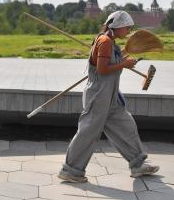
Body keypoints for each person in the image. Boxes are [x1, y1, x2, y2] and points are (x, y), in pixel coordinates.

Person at [58, 10, 159, 183]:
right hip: (98, 97)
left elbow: (109, 64)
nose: (128, 32)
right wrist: (123, 65)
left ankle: (138, 164)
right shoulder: (105, 41)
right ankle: (71, 170)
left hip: (110, 97)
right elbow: (102, 69)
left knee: (126, 125)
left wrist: (124, 62)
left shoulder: (110, 41)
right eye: (127, 28)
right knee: (88, 133)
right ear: (118, 26)